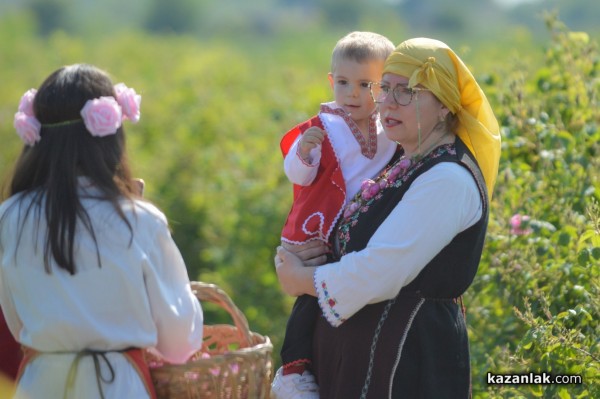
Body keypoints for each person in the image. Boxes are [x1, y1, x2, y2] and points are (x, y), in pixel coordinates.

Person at [275, 37, 501, 398]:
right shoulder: (403, 160)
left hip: (407, 359)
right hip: (364, 355)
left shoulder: (448, 178)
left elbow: (379, 268)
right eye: (386, 89)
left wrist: (299, 279)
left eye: (408, 92)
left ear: (444, 105)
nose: (388, 103)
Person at [0, 64, 204, 399]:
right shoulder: (139, 220)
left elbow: (18, 324)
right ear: (111, 136)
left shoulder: (10, 218)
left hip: (40, 385)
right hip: (118, 387)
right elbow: (179, 342)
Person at [273, 31, 397, 398]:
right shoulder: (323, 127)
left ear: (384, 86)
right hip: (319, 227)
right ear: (331, 82)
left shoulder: (386, 127)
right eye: (343, 83)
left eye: (365, 84)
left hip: (357, 229)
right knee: (309, 296)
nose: (353, 93)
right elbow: (298, 176)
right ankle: (293, 369)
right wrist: (305, 153)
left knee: (339, 292)